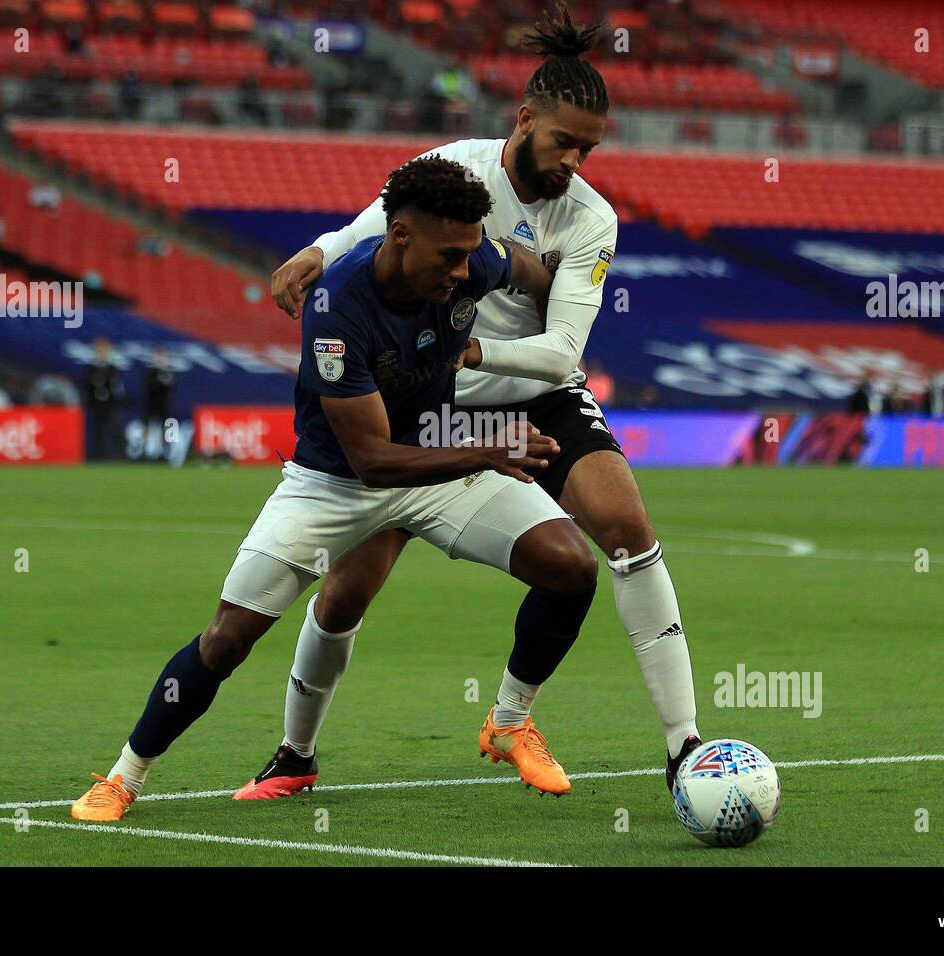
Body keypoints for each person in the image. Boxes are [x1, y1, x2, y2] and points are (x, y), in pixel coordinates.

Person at [262, 2, 702, 800]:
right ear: (524, 117)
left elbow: (564, 352)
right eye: (563, 140)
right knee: (346, 591)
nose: (574, 159)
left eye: (589, 148)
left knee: (626, 531)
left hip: (535, 391)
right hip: (432, 399)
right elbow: (371, 229)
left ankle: (677, 746)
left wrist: (476, 348)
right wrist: (318, 251)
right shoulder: (457, 168)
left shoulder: (592, 219)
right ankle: (295, 755)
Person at [71, 157, 595, 821]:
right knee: (229, 636)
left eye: (470, 255)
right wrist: (491, 450)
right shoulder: (338, 309)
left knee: (571, 568)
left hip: (441, 454)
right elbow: (373, 461)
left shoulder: (475, 259)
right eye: (450, 256)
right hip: (335, 482)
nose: (464, 272)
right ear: (399, 236)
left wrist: (572, 300)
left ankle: (509, 721)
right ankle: (123, 778)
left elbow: (531, 272)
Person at [84, 338, 124, 460]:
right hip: (96, 404)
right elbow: (89, 385)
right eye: (99, 349)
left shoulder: (112, 368)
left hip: (111, 404)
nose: (102, 352)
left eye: (104, 349)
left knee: (114, 429)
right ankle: (99, 457)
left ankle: (117, 456)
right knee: (98, 431)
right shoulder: (91, 367)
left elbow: (116, 386)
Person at [142, 345, 175, 456]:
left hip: (164, 404)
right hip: (151, 403)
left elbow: (170, 386)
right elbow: (150, 387)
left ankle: (166, 451)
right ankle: (144, 451)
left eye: (162, 356)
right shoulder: (150, 372)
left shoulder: (168, 371)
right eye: (158, 356)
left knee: (166, 427)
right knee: (147, 427)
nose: (160, 358)